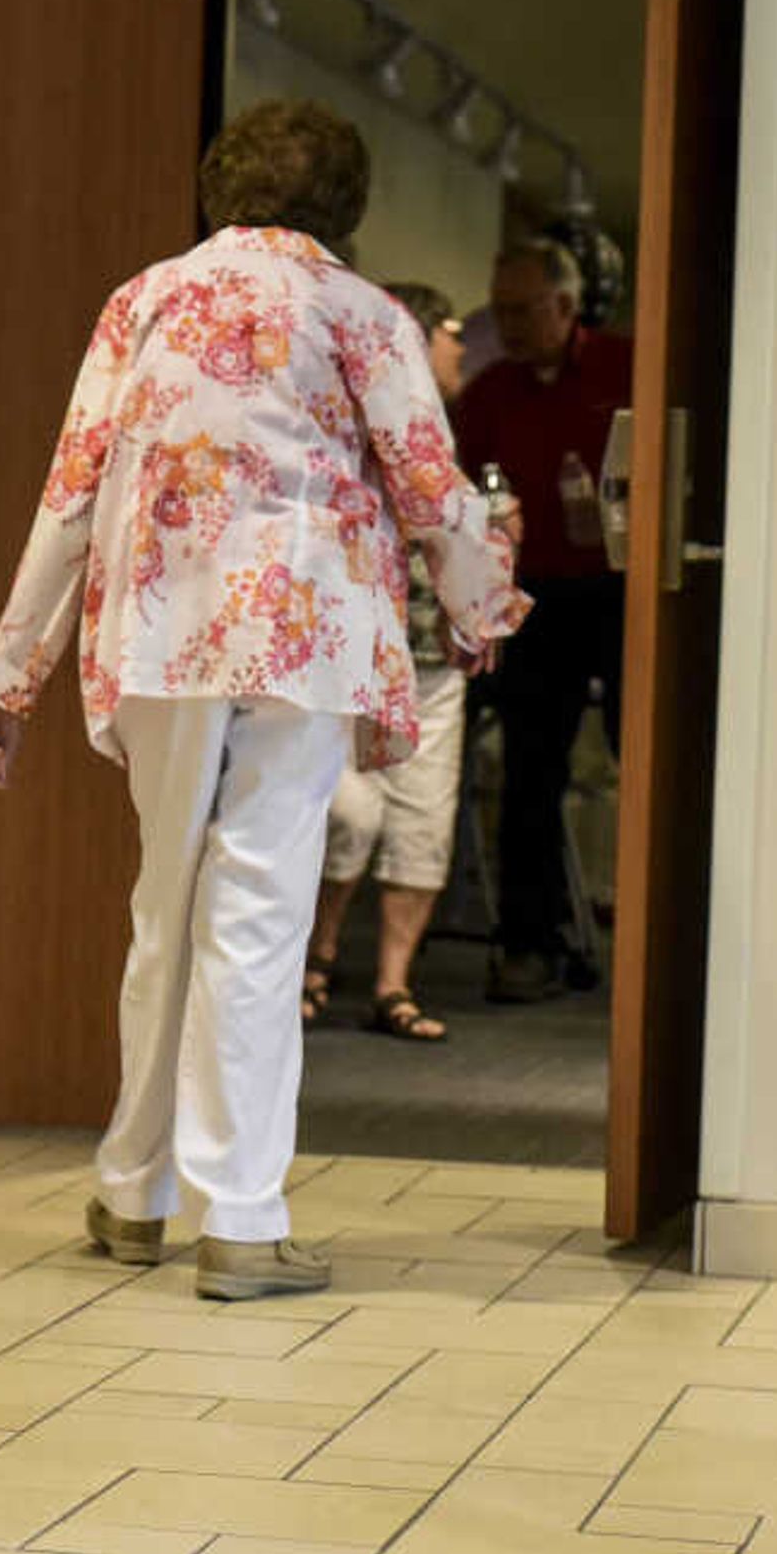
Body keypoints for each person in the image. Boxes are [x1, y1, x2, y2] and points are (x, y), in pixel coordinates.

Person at [0, 100, 524, 1303]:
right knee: (263, 908)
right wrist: (479, 610)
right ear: (348, 206)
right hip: (302, 636)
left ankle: (131, 1191)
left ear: (221, 186)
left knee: (164, 900)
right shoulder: (363, 315)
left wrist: (13, 672)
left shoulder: (143, 300)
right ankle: (245, 1218)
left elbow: (71, 491)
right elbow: (433, 491)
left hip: (161, 632)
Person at [450, 237, 631, 1003]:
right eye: (503, 311)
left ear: (566, 304)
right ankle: (529, 941)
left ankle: (665, 944)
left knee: (645, 760)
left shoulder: (626, 368)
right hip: (534, 599)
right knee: (529, 769)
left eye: (526, 310)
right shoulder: (490, 393)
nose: (514, 325)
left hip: (625, 593)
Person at [307, 282, 482, 1042]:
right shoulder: (362, 417)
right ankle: (315, 958)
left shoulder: (440, 427)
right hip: (353, 659)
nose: (462, 345)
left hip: (431, 662)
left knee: (423, 822)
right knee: (352, 813)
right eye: (450, 329)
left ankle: (392, 983)